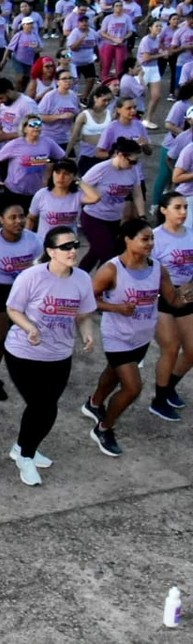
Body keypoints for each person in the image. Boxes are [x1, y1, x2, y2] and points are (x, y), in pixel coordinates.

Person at [85, 219, 188, 456]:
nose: (150, 243)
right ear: (127, 240)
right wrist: (116, 308)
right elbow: (88, 300)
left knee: (113, 374)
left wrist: (185, 297)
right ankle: (104, 427)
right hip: (117, 337)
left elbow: (172, 299)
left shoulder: (158, 269)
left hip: (142, 336)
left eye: (152, 238)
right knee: (133, 388)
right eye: (145, 239)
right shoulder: (111, 270)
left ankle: (94, 403)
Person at [3, 227, 97, 486]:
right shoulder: (31, 277)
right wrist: (30, 327)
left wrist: (87, 333)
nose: (73, 251)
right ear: (51, 252)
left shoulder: (82, 279)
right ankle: (26, 456)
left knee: (47, 407)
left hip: (59, 354)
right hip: (24, 353)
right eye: (66, 247)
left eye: (75, 245)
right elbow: (13, 309)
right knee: (41, 406)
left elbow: (83, 314)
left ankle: (22, 447)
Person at [0, 195, 44, 401]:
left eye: (21, 216)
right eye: (12, 217)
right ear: (0, 219)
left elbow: (42, 267)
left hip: (24, 292)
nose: (18, 221)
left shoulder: (34, 240)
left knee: (29, 336)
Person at [151, 192, 193, 421]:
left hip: (187, 296)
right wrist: (169, 291)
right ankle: (158, 401)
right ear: (164, 210)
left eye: (185, 207)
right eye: (177, 207)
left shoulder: (191, 235)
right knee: (171, 347)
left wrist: (190, 286)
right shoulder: (155, 238)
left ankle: (168, 388)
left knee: (192, 350)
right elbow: (146, 272)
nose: (183, 212)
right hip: (161, 298)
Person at [79, 138, 145, 273]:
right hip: (94, 217)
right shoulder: (101, 169)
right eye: (131, 161)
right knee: (107, 253)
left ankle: (79, 278)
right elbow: (80, 187)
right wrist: (90, 199)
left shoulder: (133, 170)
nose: (133, 165)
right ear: (120, 155)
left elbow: (137, 194)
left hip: (114, 219)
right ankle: (102, 283)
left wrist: (142, 215)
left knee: (96, 253)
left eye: (136, 162)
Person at [27, 158, 100, 240]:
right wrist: (27, 238)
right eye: (57, 173)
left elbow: (95, 198)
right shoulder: (42, 194)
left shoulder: (77, 195)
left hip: (68, 242)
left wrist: (79, 181)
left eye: (66, 174)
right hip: (45, 241)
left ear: (73, 176)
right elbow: (31, 218)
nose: (61, 177)